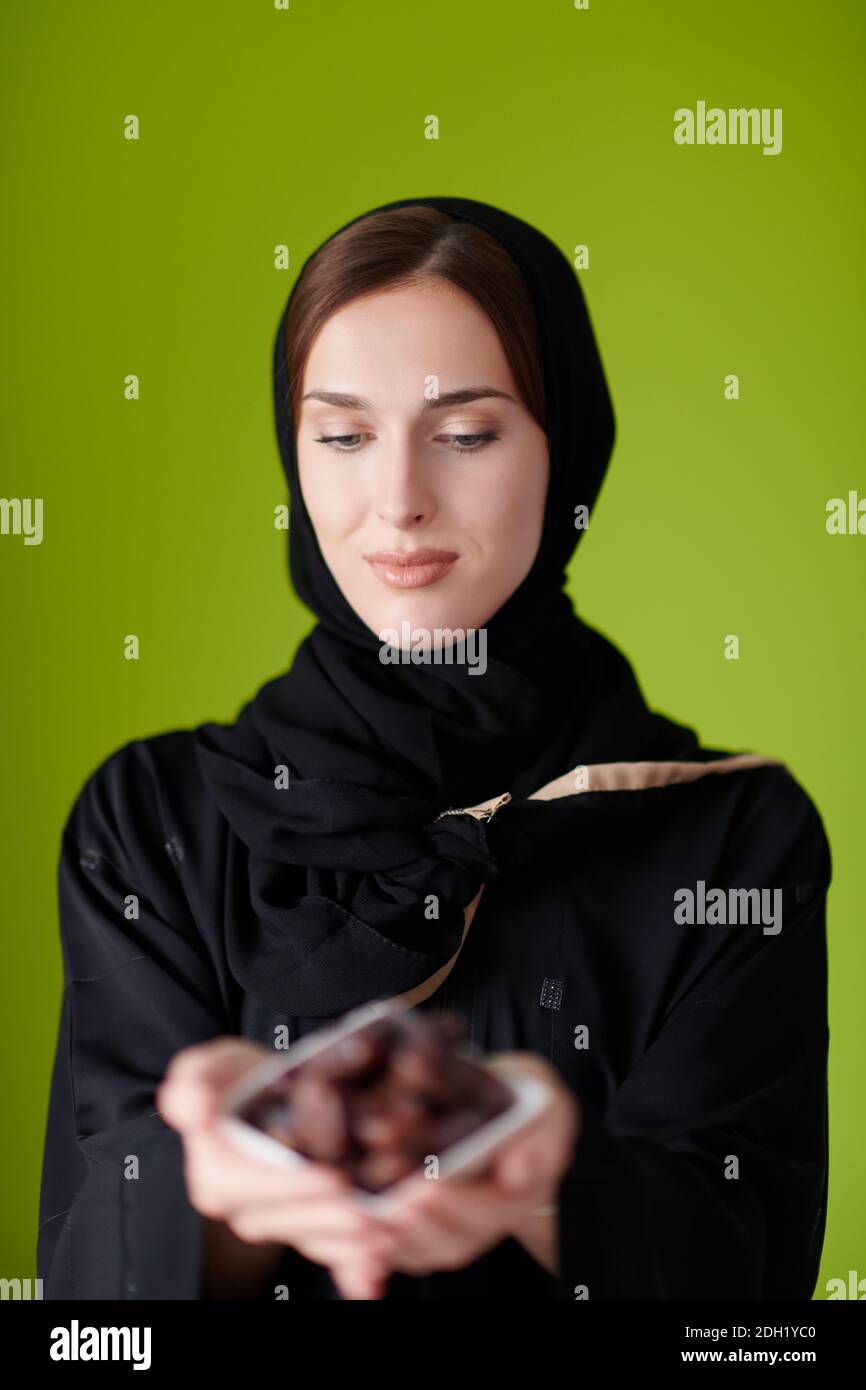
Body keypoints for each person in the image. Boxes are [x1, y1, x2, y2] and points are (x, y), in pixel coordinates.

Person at [37, 196, 831, 1301]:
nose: (398, 500)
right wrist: (200, 1191)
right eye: (344, 435)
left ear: (570, 451)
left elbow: (748, 1310)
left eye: (465, 433)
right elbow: (87, 1323)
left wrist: (555, 1183)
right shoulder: (152, 823)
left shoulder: (731, 835)